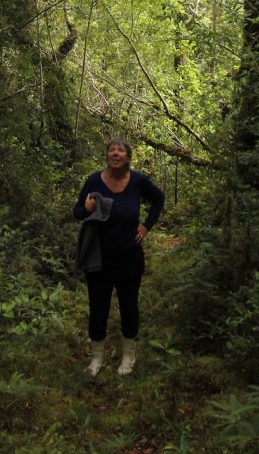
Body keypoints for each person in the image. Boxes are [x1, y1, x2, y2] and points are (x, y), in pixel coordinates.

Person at [73, 137, 165, 377]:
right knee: (98, 308)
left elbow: (159, 198)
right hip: (98, 258)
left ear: (128, 157)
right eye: (112, 150)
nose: (115, 153)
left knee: (128, 306)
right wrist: (87, 209)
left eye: (120, 150)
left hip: (129, 256)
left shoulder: (138, 181)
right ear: (107, 156)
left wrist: (146, 225)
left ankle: (128, 356)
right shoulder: (94, 181)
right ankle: (96, 359)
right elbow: (77, 211)